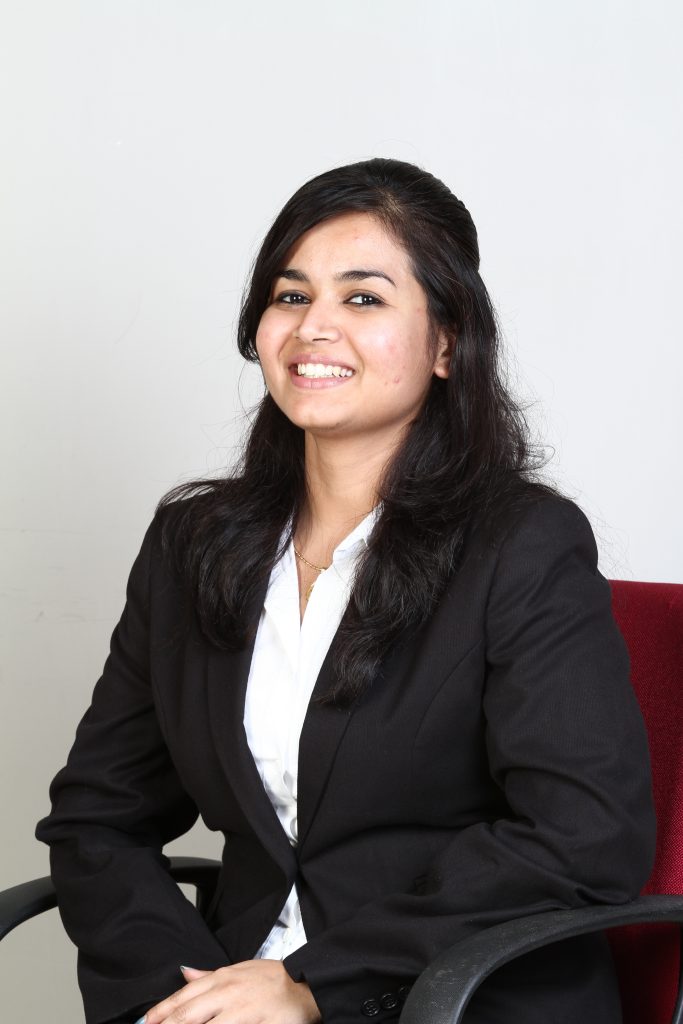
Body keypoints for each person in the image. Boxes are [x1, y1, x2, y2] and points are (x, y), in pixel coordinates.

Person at [36, 158, 656, 1024]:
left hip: (445, 997)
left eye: (363, 298)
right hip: (232, 986)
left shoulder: (520, 545)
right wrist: (180, 997)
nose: (313, 327)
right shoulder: (192, 546)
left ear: (446, 344)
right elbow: (98, 817)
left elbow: (583, 835)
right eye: (290, 296)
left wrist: (308, 983)